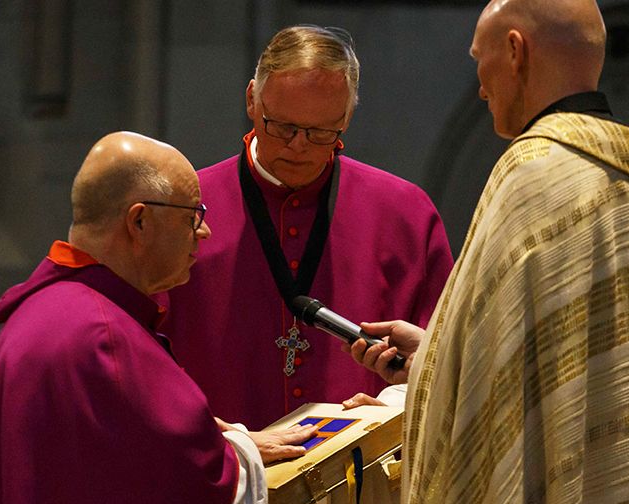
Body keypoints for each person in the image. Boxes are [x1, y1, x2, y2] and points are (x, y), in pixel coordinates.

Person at [348, 1, 629, 504]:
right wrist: (435, 353)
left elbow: (487, 396)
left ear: (515, 51)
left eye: (480, 58)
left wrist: (434, 372)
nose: (481, 83)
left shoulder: (532, 173)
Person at [0, 132, 314, 504]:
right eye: (193, 216)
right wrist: (239, 454)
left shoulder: (53, 314)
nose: (204, 232)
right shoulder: (100, 337)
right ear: (139, 222)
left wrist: (216, 440)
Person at [161, 25, 454, 431]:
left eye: (321, 133)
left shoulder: (404, 213)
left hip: (358, 476)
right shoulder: (183, 209)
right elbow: (140, 357)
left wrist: (392, 404)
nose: (298, 146)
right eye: (281, 126)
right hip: (222, 476)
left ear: (347, 118)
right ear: (251, 99)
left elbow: (446, 351)